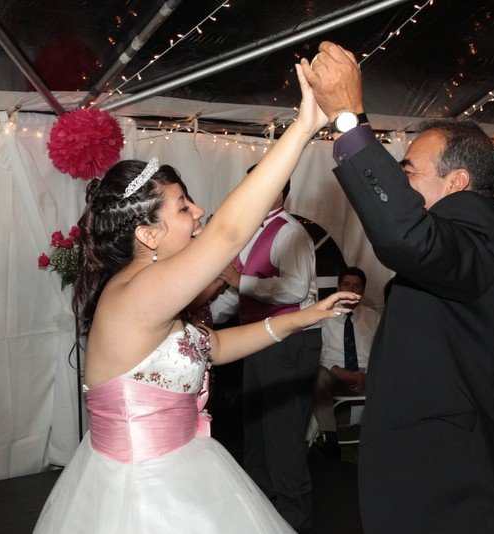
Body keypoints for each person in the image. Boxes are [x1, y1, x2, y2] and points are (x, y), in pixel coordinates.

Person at [34, 66, 359, 533]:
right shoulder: (136, 293)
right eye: (184, 206)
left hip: (185, 463)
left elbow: (215, 347)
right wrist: (304, 126)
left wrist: (303, 316)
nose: (199, 211)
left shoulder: (153, 290)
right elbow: (227, 234)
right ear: (147, 234)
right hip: (142, 491)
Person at [302, 42, 494, 533]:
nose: (399, 180)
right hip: (445, 468)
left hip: (461, 481)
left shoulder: (481, 224)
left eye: (408, 171)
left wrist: (350, 121)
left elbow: (406, 235)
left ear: (457, 183)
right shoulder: (473, 239)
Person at [215, 163, 320, 530]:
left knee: (282, 437)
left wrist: (240, 281)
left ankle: (295, 522)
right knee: (256, 432)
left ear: (277, 191)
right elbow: (239, 295)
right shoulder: (251, 233)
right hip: (258, 340)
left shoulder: (291, 232)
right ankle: (261, 518)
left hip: (291, 343)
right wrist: (204, 320)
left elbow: (295, 288)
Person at [311, 266, 379, 460]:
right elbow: (318, 351)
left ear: (363, 290)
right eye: (346, 285)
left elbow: (382, 350)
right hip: (334, 373)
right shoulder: (324, 315)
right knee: (318, 374)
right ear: (338, 287)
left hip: (367, 374)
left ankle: (385, 436)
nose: (351, 290)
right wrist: (335, 370)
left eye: (357, 286)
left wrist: (367, 374)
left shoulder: (373, 317)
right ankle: (330, 440)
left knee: (392, 370)